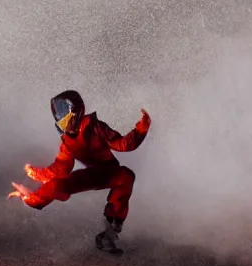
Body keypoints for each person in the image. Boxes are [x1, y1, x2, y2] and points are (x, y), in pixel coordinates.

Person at [9, 90, 151, 255]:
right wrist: (35, 176)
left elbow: (123, 144)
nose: (62, 120)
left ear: (76, 111)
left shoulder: (95, 126)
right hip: (90, 176)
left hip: (108, 173)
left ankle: (110, 232)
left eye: (64, 113)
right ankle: (32, 199)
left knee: (126, 176)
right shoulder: (68, 140)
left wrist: (142, 127)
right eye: (59, 115)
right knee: (57, 185)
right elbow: (61, 168)